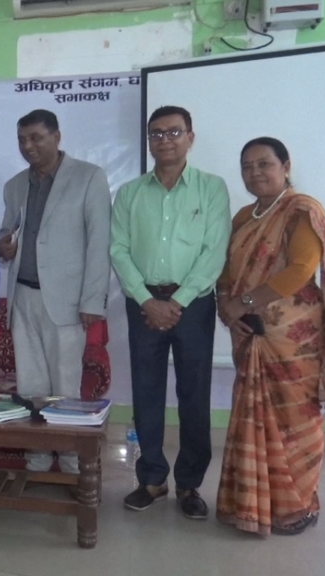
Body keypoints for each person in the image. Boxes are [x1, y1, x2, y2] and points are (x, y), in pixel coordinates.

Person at [215, 137, 325, 536]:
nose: (255, 172)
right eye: (247, 166)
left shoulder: (301, 211)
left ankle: (296, 506)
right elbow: (225, 271)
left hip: (293, 340)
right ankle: (248, 505)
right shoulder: (244, 217)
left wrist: (242, 302)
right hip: (251, 335)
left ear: (286, 166)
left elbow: (299, 270)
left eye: (264, 164)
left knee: (295, 423)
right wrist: (226, 307)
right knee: (252, 418)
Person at [110, 105, 231, 519]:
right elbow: (118, 250)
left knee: (194, 394)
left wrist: (176, 303)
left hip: (193, 305)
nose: (165, 140)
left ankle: (190, 484)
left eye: (174, 132)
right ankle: (152, 480)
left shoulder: (211, 188)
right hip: (143, 304)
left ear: (190, 138)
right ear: (149, 141)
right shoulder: (130, 193)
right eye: (156, 134)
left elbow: (213, 252)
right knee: (146, 392)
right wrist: (147, 301)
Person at [0, 109, 111, 474]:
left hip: (68, 302)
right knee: (31, 385)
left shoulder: (89, 177)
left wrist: (92, 301)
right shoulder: (15, 185)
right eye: (22, 140)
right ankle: (38, 459)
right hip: (23, 297)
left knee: (65, 385)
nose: (28, 146)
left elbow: (100, 243)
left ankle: (73, 463)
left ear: (57, 137)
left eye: (36, 138)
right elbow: (6, 234)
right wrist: (2, 247)